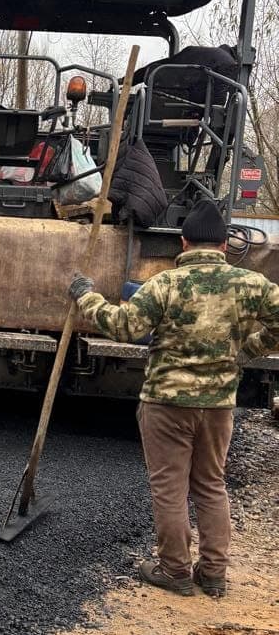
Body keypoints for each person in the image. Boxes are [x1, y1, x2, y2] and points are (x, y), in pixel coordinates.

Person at [69, 200, 279, 598]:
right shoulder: (250, 285)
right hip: (218, 406)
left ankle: (175, 571)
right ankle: (213, 574)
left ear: (184, 242)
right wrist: (249, 349)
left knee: (170, 488)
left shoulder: (166, 284)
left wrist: (86, 296)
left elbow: (124, 327)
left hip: (166, 404)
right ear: (222, 245)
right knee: (211, 485)